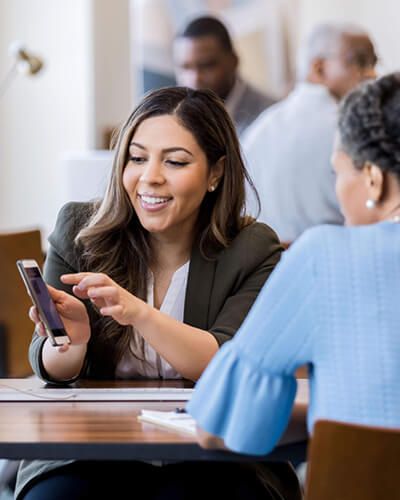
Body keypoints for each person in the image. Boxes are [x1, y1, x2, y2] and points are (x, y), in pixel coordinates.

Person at [15, 87, 302, 499]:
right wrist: (70, 343)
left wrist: (139, 313)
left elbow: (227, 363)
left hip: (214, 456)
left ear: (216, 174)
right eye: (137, 158)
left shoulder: (252, 248)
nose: (150, 176)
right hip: (92, 452)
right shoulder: (79, 230)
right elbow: (50, 365)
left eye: (175, 161)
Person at [187, 72, 400, 457]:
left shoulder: (325, 257)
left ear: (373, 179)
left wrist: (324, 416)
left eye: (338, 171)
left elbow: (218, 428)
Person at [243, 22, 378, 244]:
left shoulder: (259, 129)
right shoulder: (352, 129)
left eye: (374, 63)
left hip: (266, 271)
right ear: (319, 68)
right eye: (360, 62)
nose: (372, 74)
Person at [173, 15, 276, 137]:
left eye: (206, 65)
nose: (195, 78)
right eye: (185, 68)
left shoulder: (270, 118)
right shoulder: (174, 118)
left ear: (234, 61)